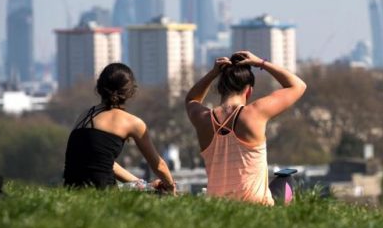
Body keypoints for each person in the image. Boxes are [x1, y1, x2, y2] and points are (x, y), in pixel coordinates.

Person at [185, 51, 307, 205]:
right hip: (256, 204)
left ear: (221, 89)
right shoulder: (254, 113)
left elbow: (191, 99)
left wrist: (213, 73)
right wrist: (260, 62)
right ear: (249, 91)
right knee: (286, 179)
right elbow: (298, 86)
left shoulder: (203, 119)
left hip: (216, 205)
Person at [63, 63, 176, 193]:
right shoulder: (133, 122)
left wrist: (144, 186)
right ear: (131, 91)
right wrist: (171, 187)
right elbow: (158, 165)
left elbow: (101, 163)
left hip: (72, 190)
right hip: (103, 193)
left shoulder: (84, 115)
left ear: (99, 87)